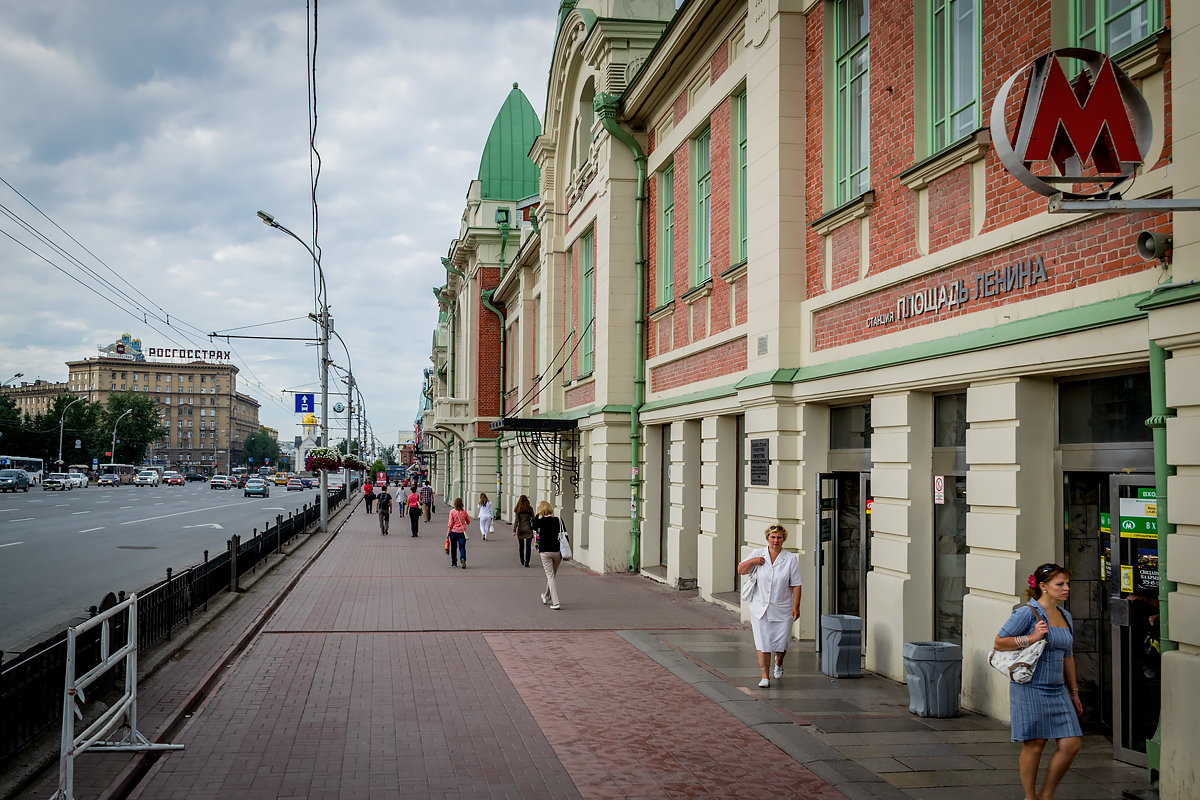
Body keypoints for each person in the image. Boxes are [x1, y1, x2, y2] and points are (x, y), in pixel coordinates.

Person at [994, 563, 1083, 800]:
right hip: (1030, 688)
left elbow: (1068, 656)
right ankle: (1030, 796)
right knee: (1035, 744)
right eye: (1060, 584)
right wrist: (1032, 637)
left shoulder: (1065, 616)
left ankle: (1046, 794)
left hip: (1058, 690)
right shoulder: (1026, 613)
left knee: (1071, 743)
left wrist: (1073, 691)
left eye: (1067, 584)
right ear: (1043, 586)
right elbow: (999, 642)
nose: (1066, 589)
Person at [737, 523, 801, 688]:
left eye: (779, 537)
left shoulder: (790, 559)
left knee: (781, 643)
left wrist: (796, 606)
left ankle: (778, 662)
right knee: (763, 643)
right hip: (760, 608)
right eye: (773, 537)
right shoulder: (758, 554)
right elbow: (741, 570)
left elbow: (796, 584)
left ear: (783, 539)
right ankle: (765, 676)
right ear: (767, 538)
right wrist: (753, 560)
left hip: (783, 607)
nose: (776, 540)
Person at [531, 500, 564, 609]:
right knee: (552, 575)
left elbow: (533, 526)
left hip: (545, 552)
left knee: (550, 576)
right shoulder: (558, 520)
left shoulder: (540, 522)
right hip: (558, 552)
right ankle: (546, 595)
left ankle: (556, 603)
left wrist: (536, 514)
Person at [511, 494, 535, 567]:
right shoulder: (530, 509)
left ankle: (522, 560)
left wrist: (514, 530)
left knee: (521, 546)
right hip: (528, 529)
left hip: (520, 529)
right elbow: (533, 519)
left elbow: (516, 521)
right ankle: (527, 562)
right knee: (528, 547)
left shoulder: (518, 510)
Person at [447, 498, 470, 568]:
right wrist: (464, 522)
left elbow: (450, 523)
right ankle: (462, 558)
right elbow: (468, 521)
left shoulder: (452, 512)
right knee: (462, 547)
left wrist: (448, 532)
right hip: (462, 533)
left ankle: (454, 562)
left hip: (453, 532)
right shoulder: (464, 512)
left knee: (453, 548)